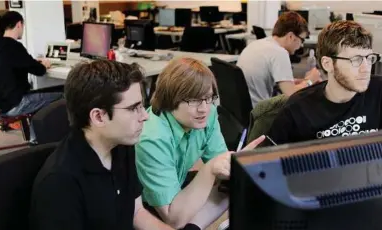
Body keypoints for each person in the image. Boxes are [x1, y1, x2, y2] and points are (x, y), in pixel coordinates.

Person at [30, 60, 173, 230]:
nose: (145, 116)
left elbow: (136, 212)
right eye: (134, 108)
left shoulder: (122, 146)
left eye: (142, 106)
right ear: (99, 117)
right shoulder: (60, 183)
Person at [135, 58, 265, 230]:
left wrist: (238, 165)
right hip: (147, 207)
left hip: (177, 186)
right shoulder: (153, 137)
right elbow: (172, 218)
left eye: (209, 98)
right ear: (170, 98)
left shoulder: (206, 115)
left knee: (232, 185)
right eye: (194, 100)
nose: (204, 108)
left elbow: (220, 168)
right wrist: (209, 169)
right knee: (181, 218)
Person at [266, 20, 382, 145]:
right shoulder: (297, 110)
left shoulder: (379, 91)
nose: (366, 69)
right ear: (328, 64)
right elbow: (267, 160)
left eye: (369, 58)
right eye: (356, 59)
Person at [236, 11, 322, 107]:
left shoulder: (258, 44)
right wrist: (310, 81)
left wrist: (299, 81)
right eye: (301, 40)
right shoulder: (279, 53)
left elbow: (281, 82)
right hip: (259, 114)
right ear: (290, 36)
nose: (301, 45)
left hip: (242, 110)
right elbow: (291, 95)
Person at [0, 11, 61, 117]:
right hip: (16, 104)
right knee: (64, 96)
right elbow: (39, 71)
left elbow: (18, 63)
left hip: (0, 105)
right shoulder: (14, 47)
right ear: (19, 24)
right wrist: (44, 65)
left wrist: (34, 62)